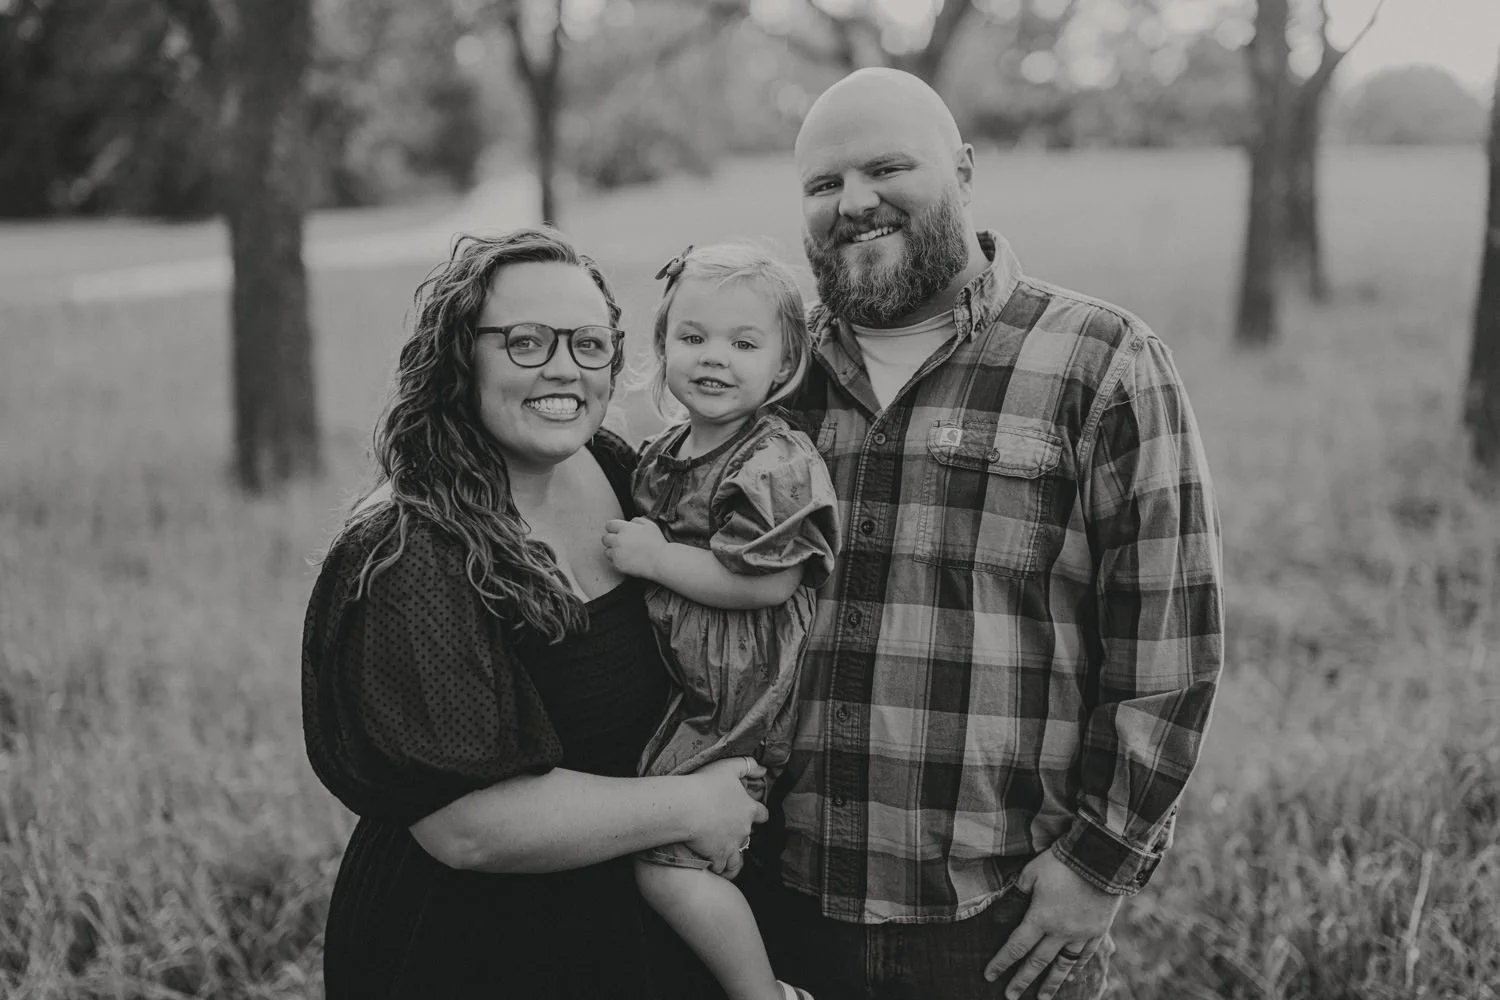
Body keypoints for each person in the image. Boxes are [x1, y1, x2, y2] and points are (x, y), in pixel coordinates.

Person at [741, 68, 1226, 1000]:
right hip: (771, 907)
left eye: (888, 168)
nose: (856, 202)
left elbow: (1169, 643)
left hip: (994, 925)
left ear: (963, 170)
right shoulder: (770, 369)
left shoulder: (1101, 360)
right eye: (822, 184)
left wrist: (1098, 864)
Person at [300, 227, 768, 1000]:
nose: (564, 368)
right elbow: (468, 828)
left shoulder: (617, 470)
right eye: (525, 342)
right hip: (474, 947)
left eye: (590, 344)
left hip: (634, 923)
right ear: (460, 356)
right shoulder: (411, 550)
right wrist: (691, 802)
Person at [602, 243, 840, 1000]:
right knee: (675, 839)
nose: (714, 359)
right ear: (662, 346)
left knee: (659, 861)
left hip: (737, 690)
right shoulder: (666, 451)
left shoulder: (772, 460)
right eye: (693, 337)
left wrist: (657, 558)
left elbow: (768, 583)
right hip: (689, 684)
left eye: (744, 344)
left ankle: (761, 993)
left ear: (782, 364)